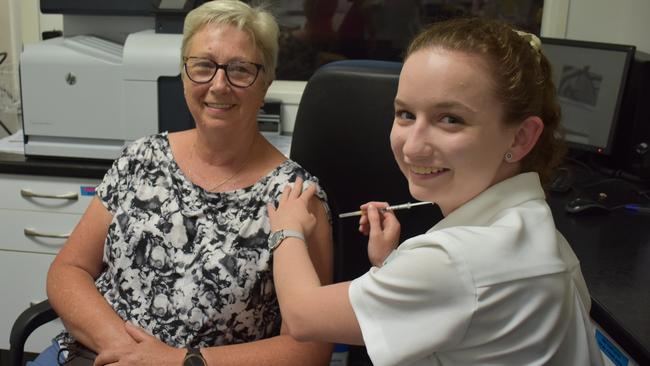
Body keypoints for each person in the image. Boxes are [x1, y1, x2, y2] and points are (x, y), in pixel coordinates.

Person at [267, 17, 605, 365]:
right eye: (405, 114)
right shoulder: (533, 226)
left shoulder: (456, 263)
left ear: (520, 138)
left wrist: (287, 229)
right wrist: (390, 265)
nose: (412, 148)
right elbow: (468, 306)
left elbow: (302, 317)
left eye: (450, 119)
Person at [37, 1, 334, 365]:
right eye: (204, 66)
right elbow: (68, 270)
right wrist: (126, 352)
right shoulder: (141, 159)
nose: (219, 85)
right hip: (96, 353)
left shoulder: (296, 197)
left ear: (266, 81)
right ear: (183, 73)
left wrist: (179, 360)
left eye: (240, 70)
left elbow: (309, 349)